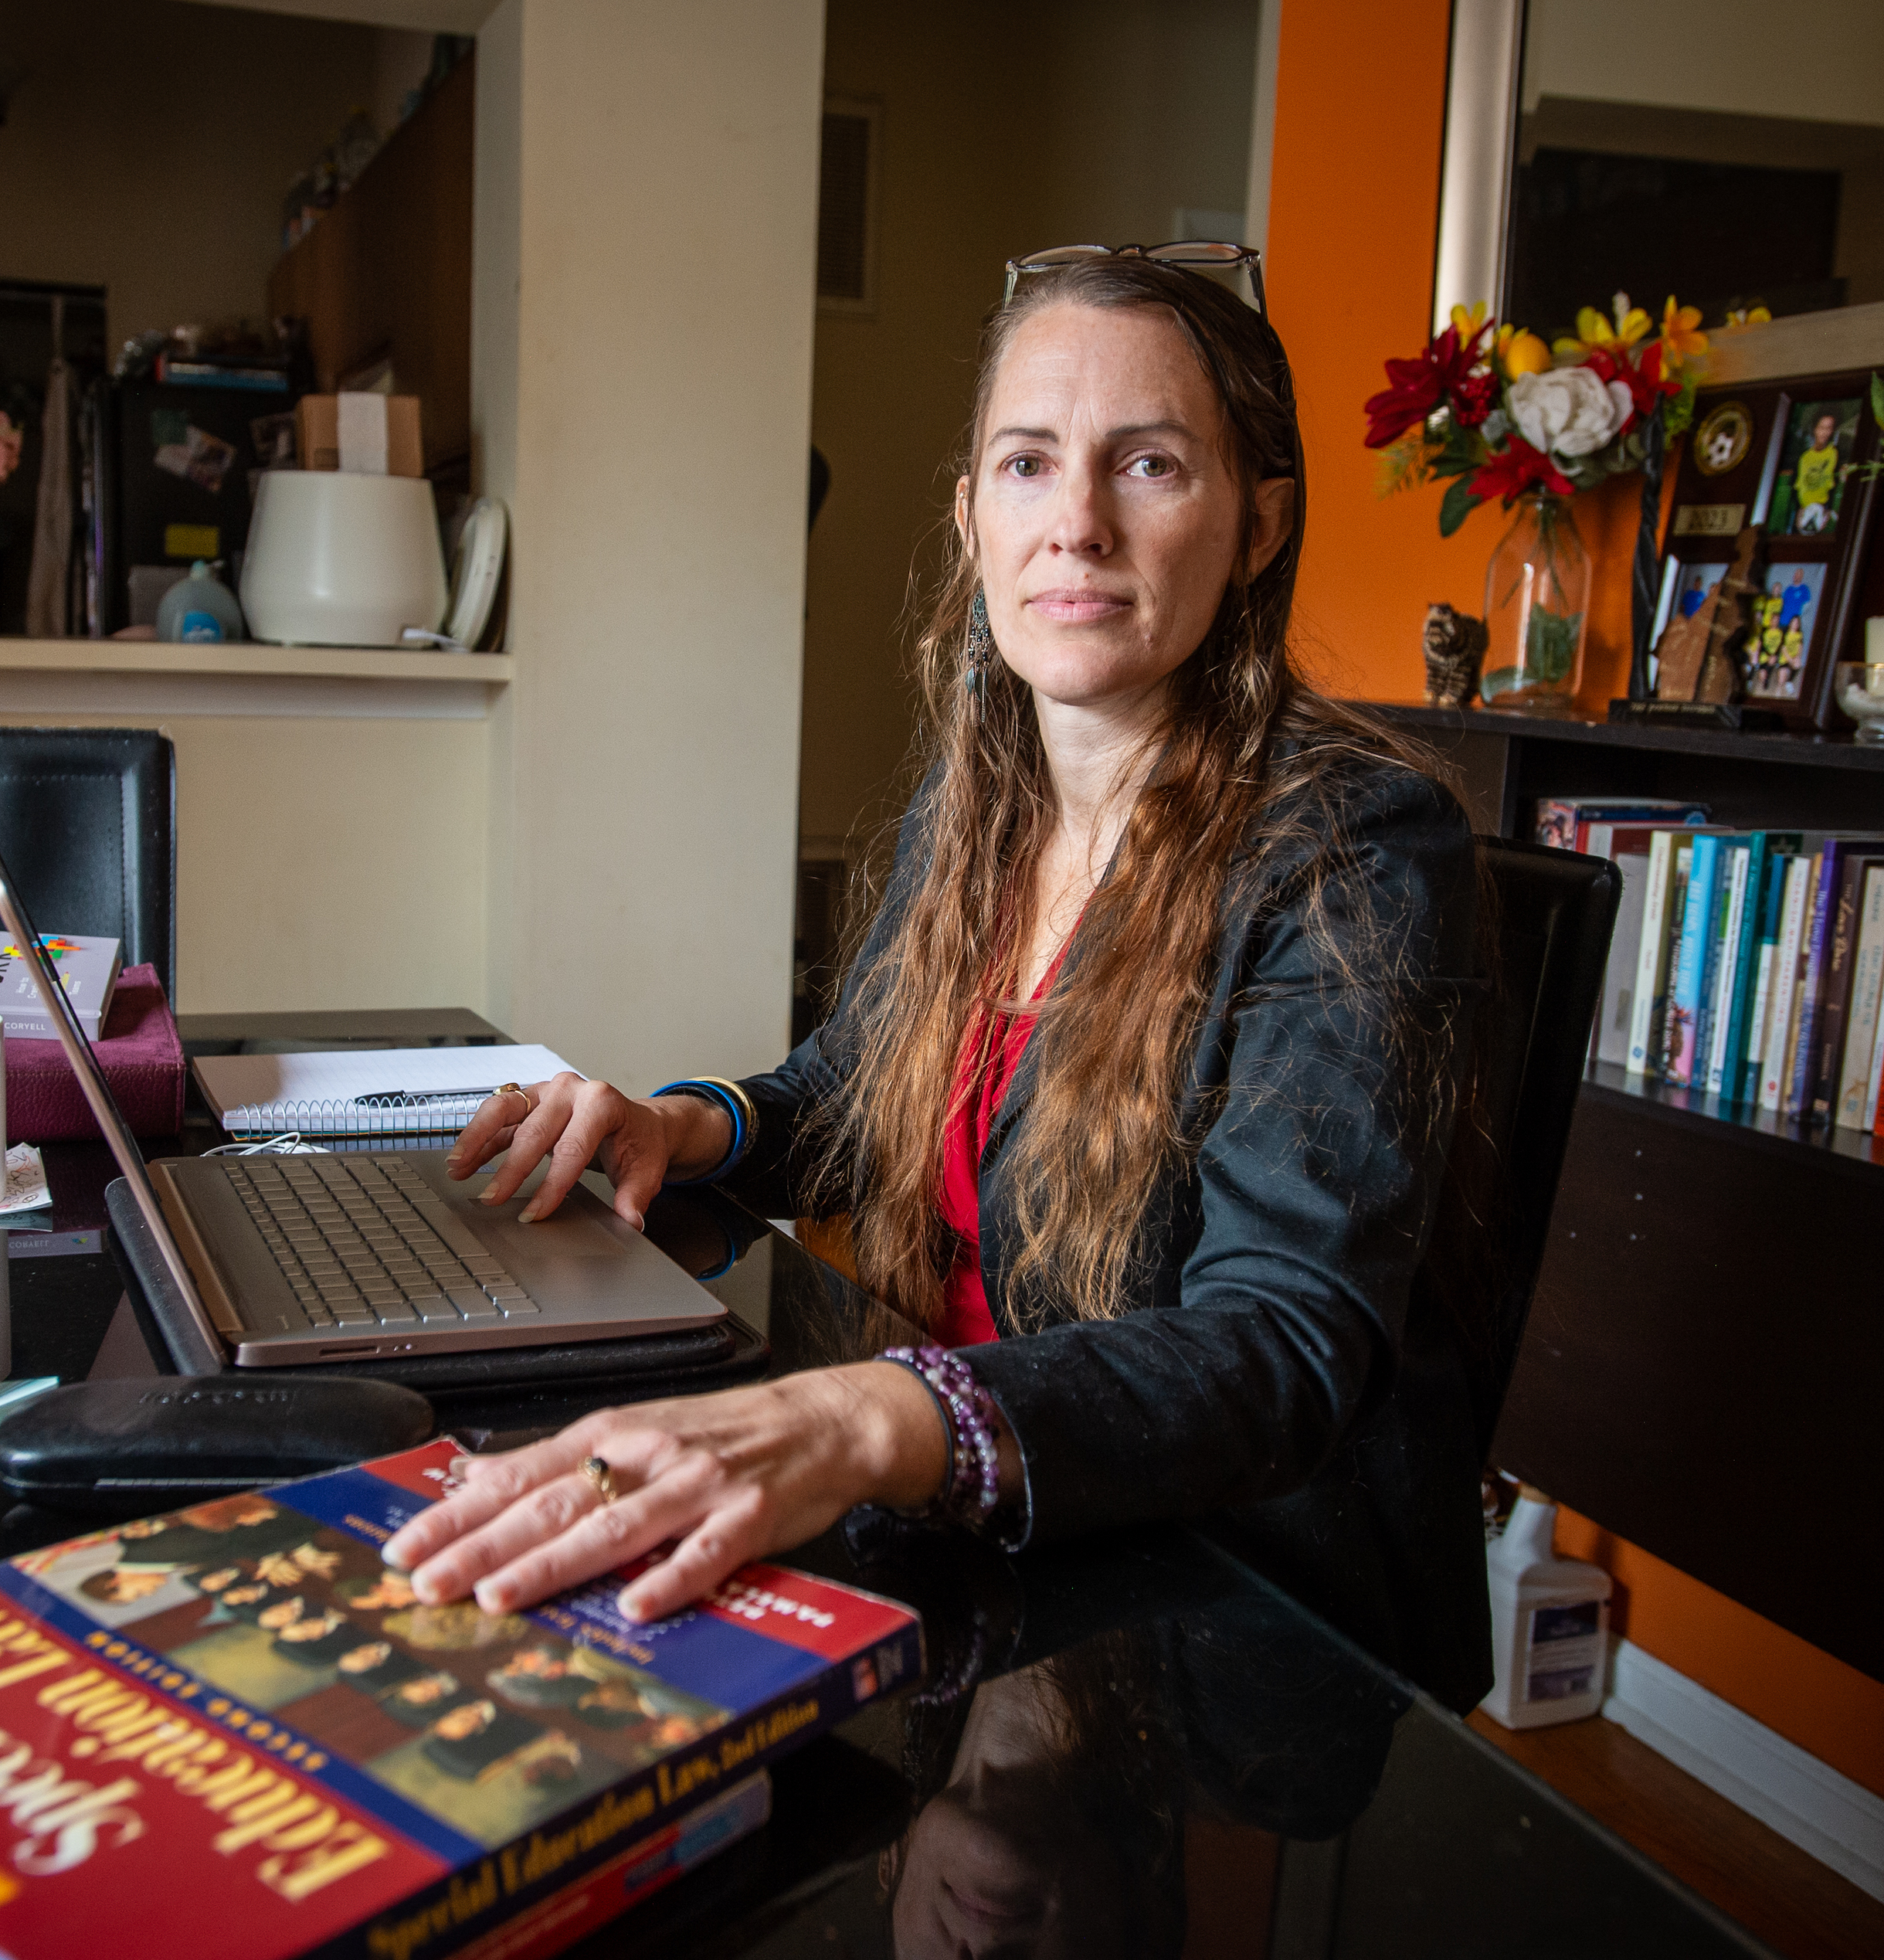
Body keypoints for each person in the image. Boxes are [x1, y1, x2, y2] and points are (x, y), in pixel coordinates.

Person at [382, 250, 1496, 1704]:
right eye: (1029, 464)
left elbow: (1277, 1345)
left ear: (1259, 524)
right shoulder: (980, 807)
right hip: (965, 1543)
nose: (1077, 523)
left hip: (1227, 1640)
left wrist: (859, 1419)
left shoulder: (1357, 845)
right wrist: (679, 1127)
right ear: (972, 518)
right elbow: (857, 1092)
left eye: (1149, 464)